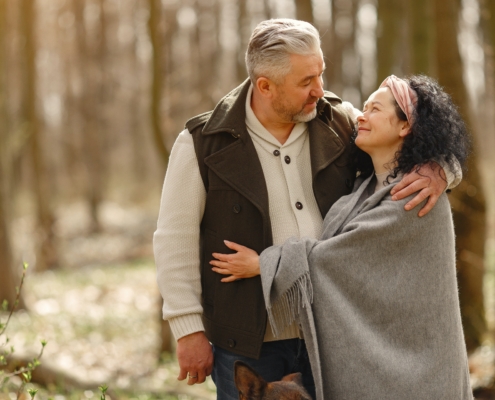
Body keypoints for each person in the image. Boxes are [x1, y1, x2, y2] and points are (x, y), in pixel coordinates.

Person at [153, 19, 459, 399]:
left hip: (332, 334)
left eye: (320, 74)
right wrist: (188, 330)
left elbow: (413, 137)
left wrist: (442, 168)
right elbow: (174, 239)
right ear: (265, 85)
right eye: (305, 81)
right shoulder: (202, 143)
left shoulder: (341, 121)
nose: (319, 89)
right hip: (248, 341)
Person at [210, 75, 472, 400]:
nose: (361, 116)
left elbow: (337, 258)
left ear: (406, 127)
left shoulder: (417, 196)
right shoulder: (361, 191)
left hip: (420, 376)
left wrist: (264, 264)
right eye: (363, 107)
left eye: (375, 109)